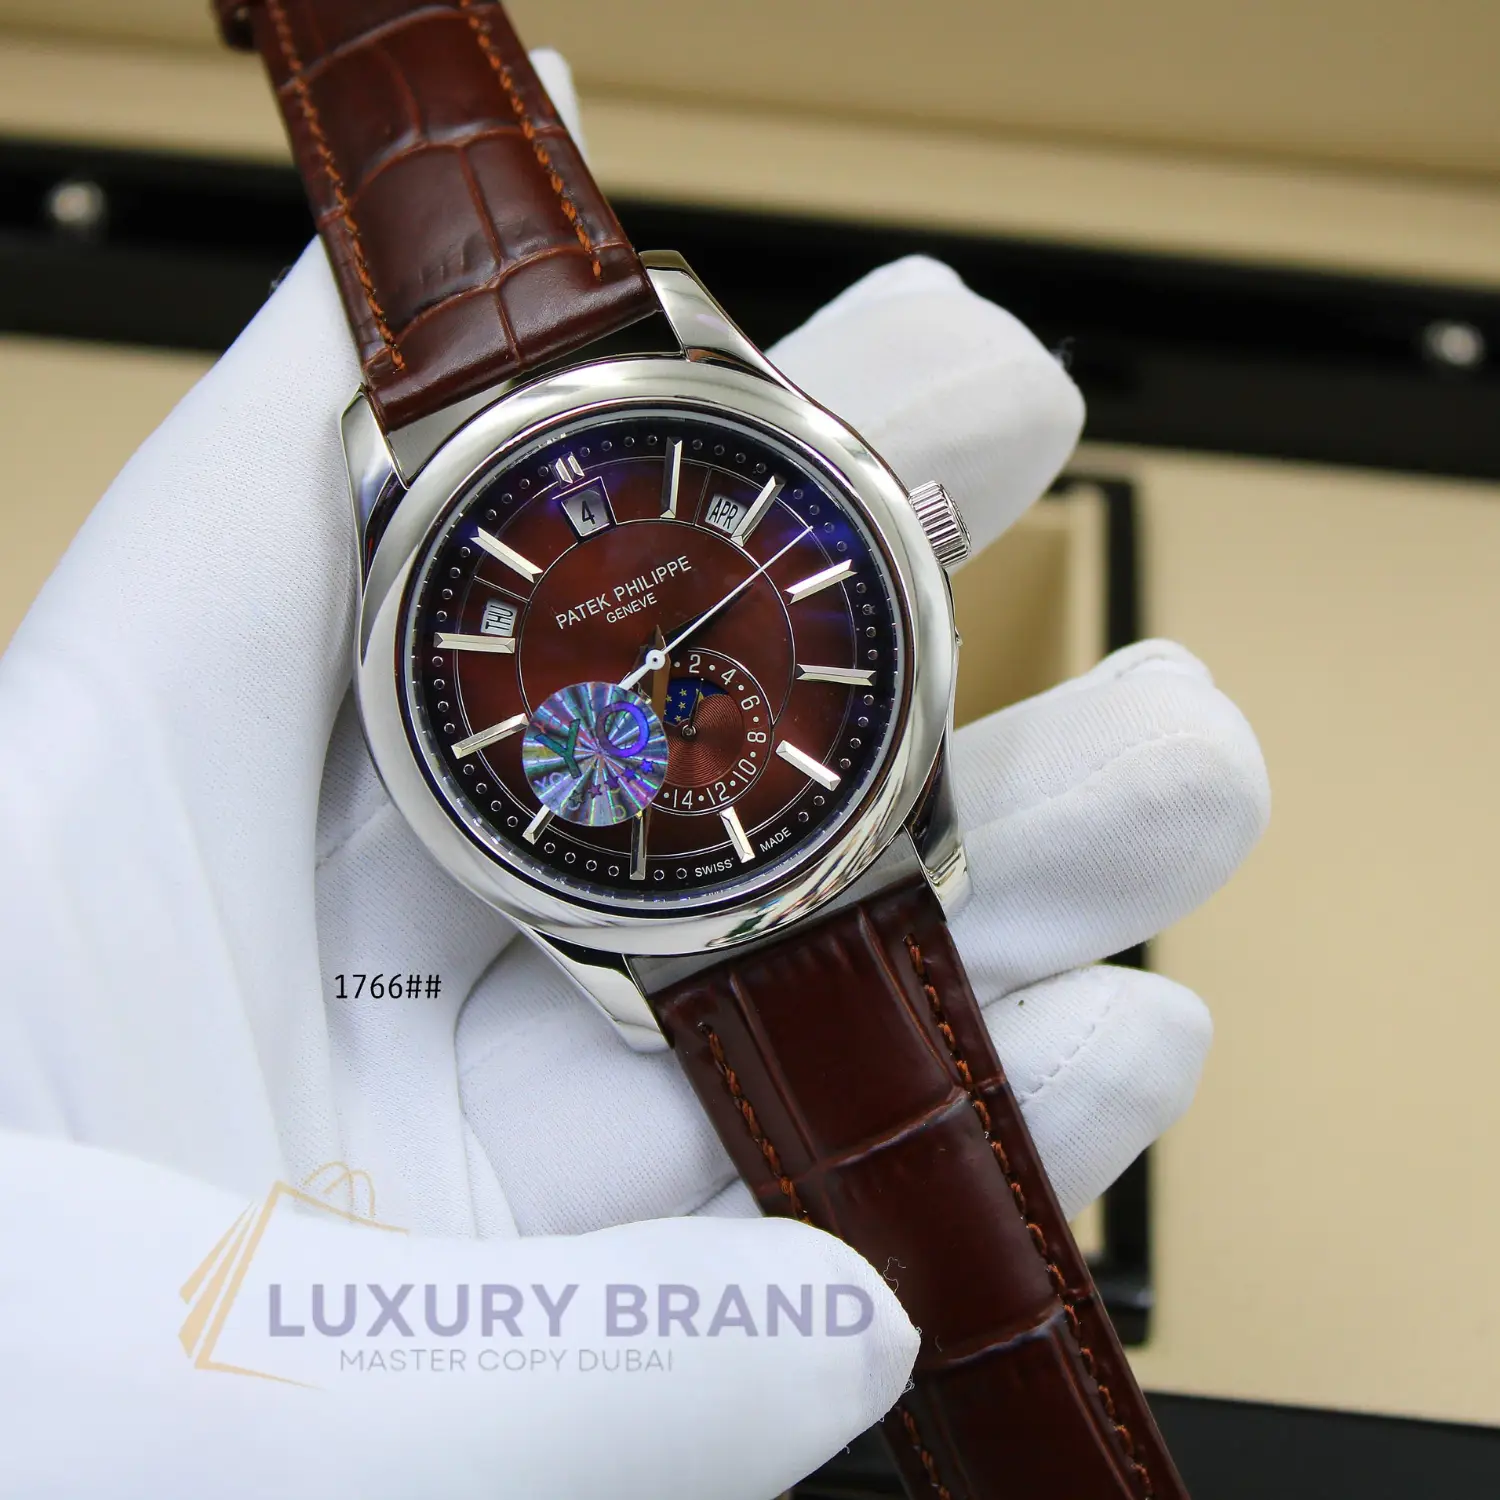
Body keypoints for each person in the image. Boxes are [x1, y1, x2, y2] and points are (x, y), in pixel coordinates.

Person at [0, 56, 1268, 1500]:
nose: (661, 653)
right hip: (662, 902)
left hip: (819, 827)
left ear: (904, 537)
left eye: (679, 644)